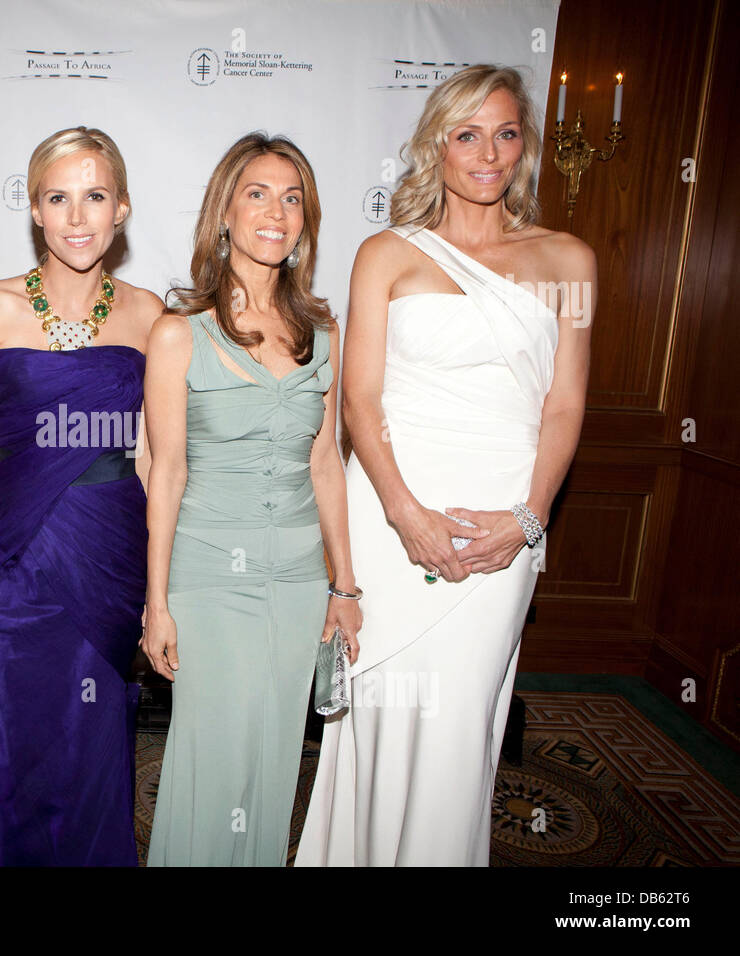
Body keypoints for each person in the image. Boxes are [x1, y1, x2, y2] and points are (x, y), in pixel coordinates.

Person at [297, 65, 594, 867]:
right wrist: (404, 515)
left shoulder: (571, 261)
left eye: (505, 133)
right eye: (468, 134)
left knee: (457, 721)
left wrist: (527, 521)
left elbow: (565, 406)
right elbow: (358, 401)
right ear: (438, 146)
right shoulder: (386, 253)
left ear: (524, 145)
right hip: (394, 519)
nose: (488, 152)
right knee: (383, 713)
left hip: (505, 525)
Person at [0, 127, 163, 866]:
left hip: (110, 553)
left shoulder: (149, 316)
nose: (76, 216)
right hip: (15, 558)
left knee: (93, 744)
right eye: (57, 197)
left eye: (94, 196)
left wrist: (162, 587)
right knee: (12, 736)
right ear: (34, 209)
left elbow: (159, 459)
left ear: (121, 207)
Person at [142, 134, 360, 866]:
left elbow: (326, 463)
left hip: (298, 579)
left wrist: (344, 584)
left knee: (272, 759)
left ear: (306, 222)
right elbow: (164, 473)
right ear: (225, 214)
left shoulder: (322, 333)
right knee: (213, 756)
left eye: (292, 197)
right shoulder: (178, 336)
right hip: (208, 576)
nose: (277, 211)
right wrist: (157, 602)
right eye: (258, 194)